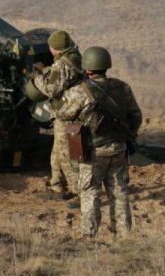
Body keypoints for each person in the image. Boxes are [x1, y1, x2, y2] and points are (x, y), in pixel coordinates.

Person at [56, 46, 142, 238]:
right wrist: (127, 135)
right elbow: (136, 116)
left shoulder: (80, 91)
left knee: (90, 194)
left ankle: (90, 238)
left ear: (87, 68)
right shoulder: (123, 87)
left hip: (92, 153)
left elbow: (62, 113)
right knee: (119, 193)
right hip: (118, 149)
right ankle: (124, 237)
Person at [29, 30, 84, 199]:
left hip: (68, 114)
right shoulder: (75, 58)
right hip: (72, 111)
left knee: (67, 154)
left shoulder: (63, 64)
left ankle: (77, 191)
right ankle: (56, 184)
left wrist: (37, 77)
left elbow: (52, 89)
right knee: (58, 151)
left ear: (55, 48)